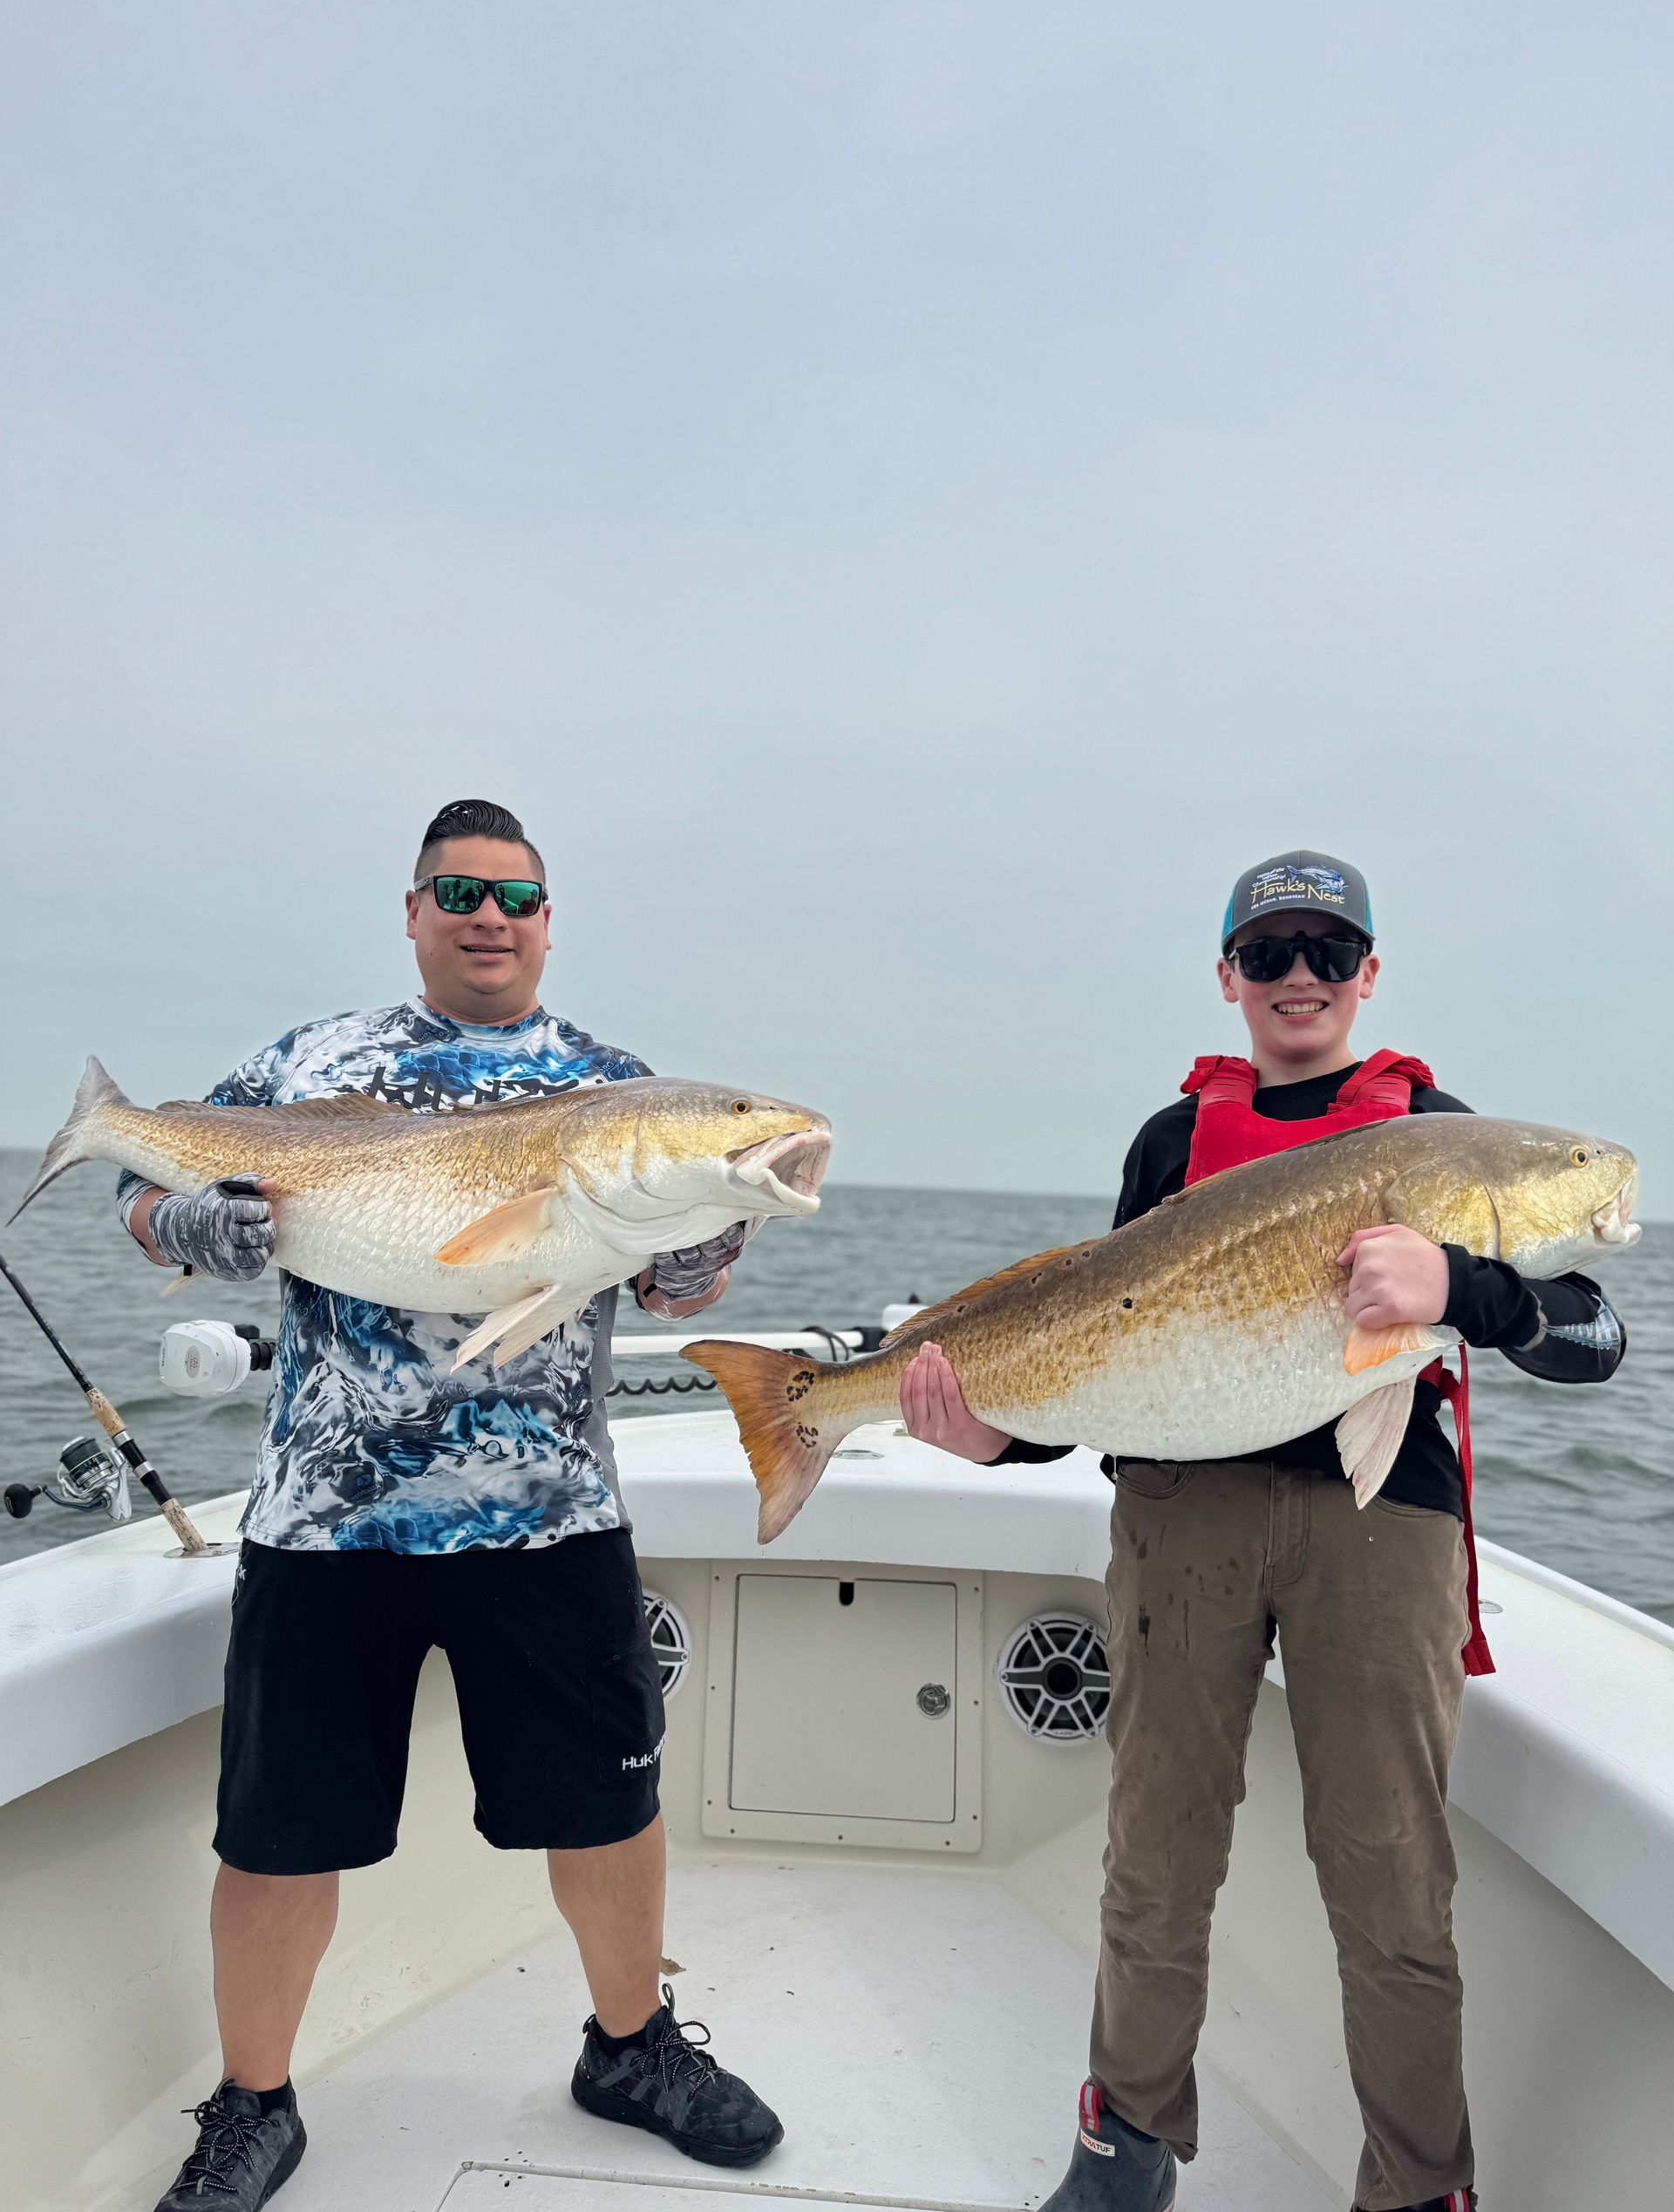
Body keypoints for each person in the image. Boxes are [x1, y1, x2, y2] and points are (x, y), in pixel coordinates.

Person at [898, 851, 1625, 2212]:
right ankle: (1126, 2145)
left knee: (1390, 1870)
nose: (1302, 977)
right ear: (1228, 975)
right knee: (1158, 1845)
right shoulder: (1169, 1145)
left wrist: (1464, 1284)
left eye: (1329, 952)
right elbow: (1107, 1359)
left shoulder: (1448, 1142)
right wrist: (993, 1430)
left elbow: (1598, 1338)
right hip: (1185, 1512)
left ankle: (1418, 2186)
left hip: (1383, 1520)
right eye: (1273, 951)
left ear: (1369, 975)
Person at [125, 799, 784, 2211]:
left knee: (606, 1809)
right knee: (279, 1827)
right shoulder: (314, 1060)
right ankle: (253, 2106)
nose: (492, 916)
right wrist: (177, 1221)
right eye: (463, 892)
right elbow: (147, 1175)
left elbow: (672, 1287)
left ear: (551, 920)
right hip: (324, 1516)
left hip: (548, 1513)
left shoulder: (616, 1085)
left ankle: (631, 2050)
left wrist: (710, 1228)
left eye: (520, 897)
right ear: (414, 911)